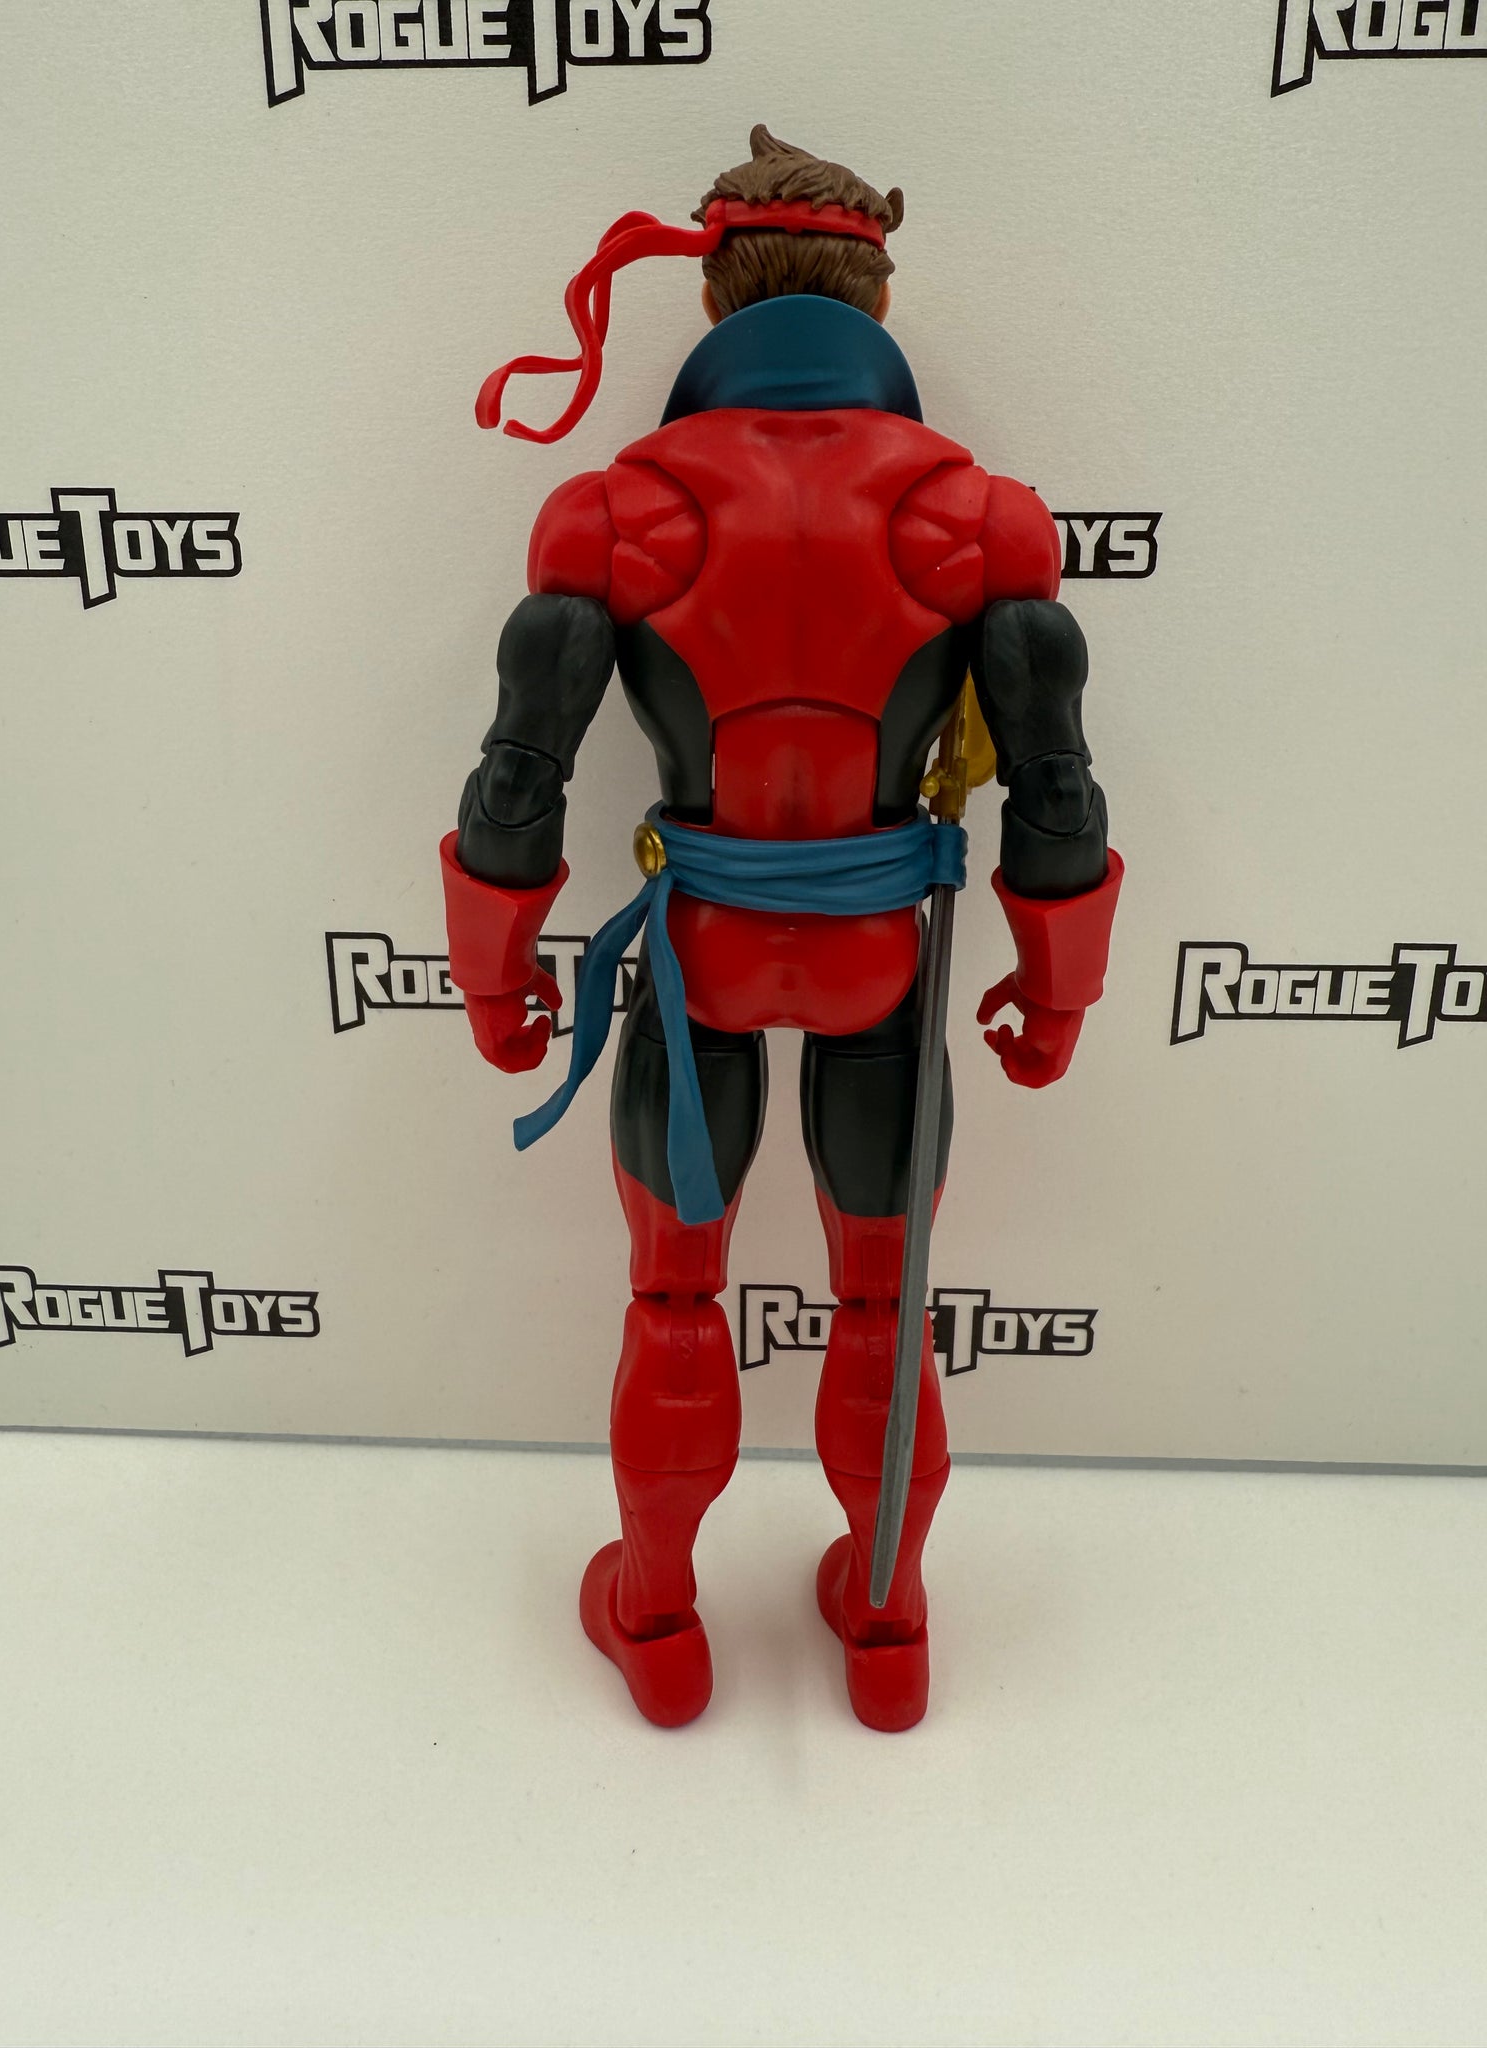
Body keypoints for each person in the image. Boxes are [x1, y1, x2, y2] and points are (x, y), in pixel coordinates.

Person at [442, 126, 1123, 1731]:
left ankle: (660, 1621)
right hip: (885, 965)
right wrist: (1059, 992)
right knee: (886, 1303)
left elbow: (517, 780)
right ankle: (887, 1626)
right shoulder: (983, 521)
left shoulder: (616, 514)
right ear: (877, 294)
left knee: (676, 1302)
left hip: (703, 964)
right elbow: (1058, 791)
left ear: (712, 298)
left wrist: (491, 980)